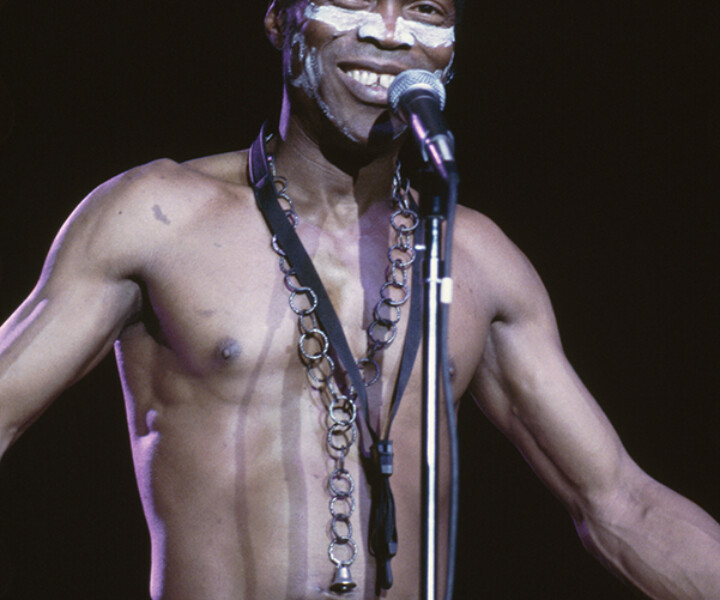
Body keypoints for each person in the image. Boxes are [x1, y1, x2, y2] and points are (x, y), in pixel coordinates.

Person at [1, 1, 718, 598]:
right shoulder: (158, 216)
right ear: (283, 22)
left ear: (451, 53)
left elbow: (623, 505)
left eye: (424, 10)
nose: (387, 29)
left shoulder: (474, 258)